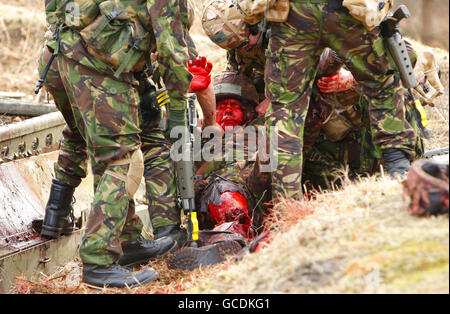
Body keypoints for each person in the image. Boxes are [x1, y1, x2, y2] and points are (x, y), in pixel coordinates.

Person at [38, 0, 194, 288]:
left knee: (98, 146)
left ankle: (126, 240)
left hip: (58, 55)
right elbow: (173, 49)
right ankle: (98, 261)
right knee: (122, 161)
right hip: (96, 67)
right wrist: (175, 107)